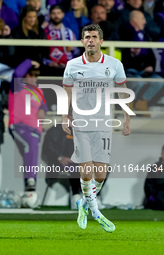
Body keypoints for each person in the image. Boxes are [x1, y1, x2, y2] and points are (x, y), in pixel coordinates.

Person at [62, 24, 131, 232]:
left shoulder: (114, 64)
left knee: (100, 175)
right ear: (82, 41)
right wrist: (65, 115)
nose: (90, 40)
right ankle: (96, 212)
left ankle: (83, 204)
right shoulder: (72, 65)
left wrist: (127, 117)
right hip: (82, 124)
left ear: (101, 41)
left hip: (104, 124)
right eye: (86, 37)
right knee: (86, 172)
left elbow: (123, 91)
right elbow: (66, 93)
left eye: (94, 37)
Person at [8, 59, 47, 207]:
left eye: (35, 76)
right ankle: (31, 180)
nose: (33, 78)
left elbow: (43, 107)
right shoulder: (17, 86)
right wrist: (30, 62)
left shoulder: (39, 91)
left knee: (31, 153)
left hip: (35, 129)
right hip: (19, 126)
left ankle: (29, 188)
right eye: (30, 75)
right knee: (30, 145)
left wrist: (43, 110)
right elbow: (17, 72)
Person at [144, 145, 164, 210]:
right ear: (162, 153)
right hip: (157, 201)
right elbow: (148, 186)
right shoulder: (155, 167)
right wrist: (152, 199)